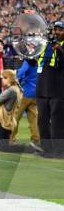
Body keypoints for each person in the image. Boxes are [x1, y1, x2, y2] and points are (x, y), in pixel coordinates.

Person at [35, 20, 64, 158]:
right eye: (55, 29)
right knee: (42, 120)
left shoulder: (60, 46)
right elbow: (30, 57)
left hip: (57, 89)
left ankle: (59, 151)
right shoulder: (44, 45)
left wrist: (59, 49)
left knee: (57, 121)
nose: (57, 32)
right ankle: (46, 149)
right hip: (41, 88)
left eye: (60, 29)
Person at [11, 57, 39, 148]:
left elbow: (20, 73)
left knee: (15, 117)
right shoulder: (40, 61)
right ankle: (36, 140)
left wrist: (16, 75)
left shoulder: (28, 61)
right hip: (35, 94)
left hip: (25, 93)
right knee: (33, 119)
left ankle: (11, 139)